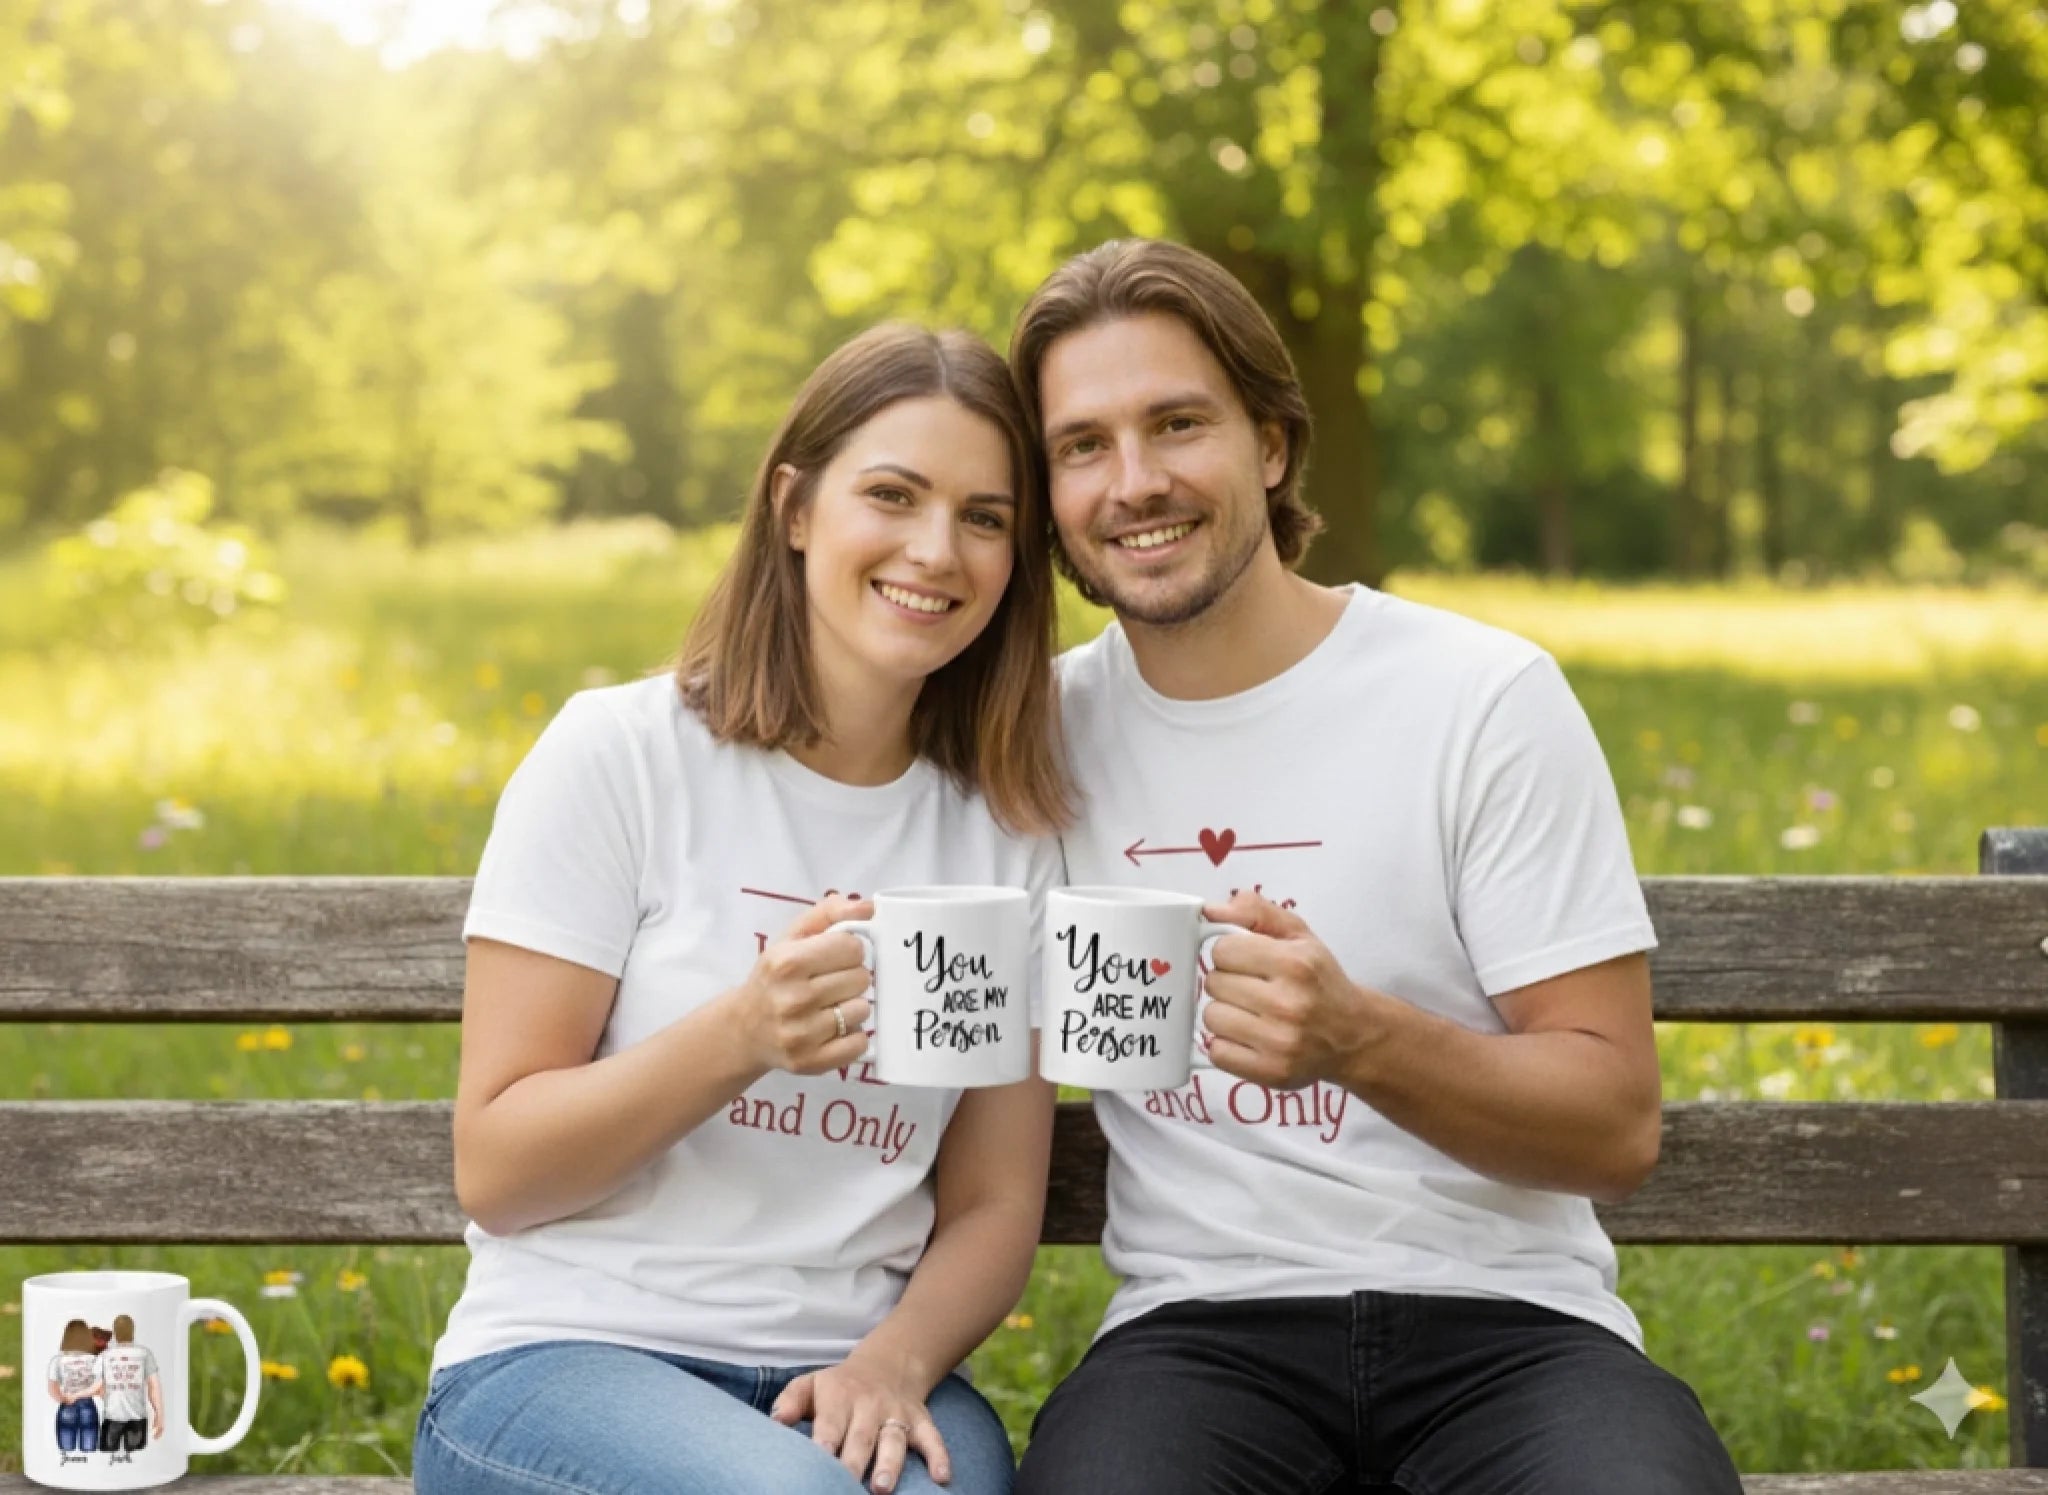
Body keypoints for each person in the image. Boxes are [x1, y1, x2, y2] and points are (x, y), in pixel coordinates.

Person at [1007, 239, 1745, 1494]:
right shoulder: (1031, 739)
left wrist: (1358, 1040)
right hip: (1196, 1337)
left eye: (1176, 423)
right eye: (1082, 445)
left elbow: (1614, 1123)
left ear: (1273, 444)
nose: (1132, 482)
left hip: (1512, 1332)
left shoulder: (1477, 696)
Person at [412, 323, 1071, 1495]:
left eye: (984, 516)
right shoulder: (620, 756)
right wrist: (741, 1035)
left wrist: (895, 1359)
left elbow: (992, 1200)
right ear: (795, 506)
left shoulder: (1001, 833)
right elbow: (499, 1170)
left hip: (851, 1363)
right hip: (568, 1356)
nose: (936, 549)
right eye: (891, 494)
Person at [95, 1314, 163, 1455]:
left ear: (115, 1332)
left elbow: (97, 1386)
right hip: (137, 1418)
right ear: (132, 1331)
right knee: (135, 1458)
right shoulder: (144, 1354)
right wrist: (159, 1414)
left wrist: (109, 1396)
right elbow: (154, 1386)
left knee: (108, 1458)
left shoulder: (105, 1356)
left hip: (112, 1415)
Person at [47, 1318, 101, 1455]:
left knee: (66, 1447)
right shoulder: (95, 1360)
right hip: (88, 1406)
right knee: (89, 1448)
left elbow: (52, 1388)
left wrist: (62, 1398)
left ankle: (67, 1466)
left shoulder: (57, 1361)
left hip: (66, 1405)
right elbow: (100, 1386)